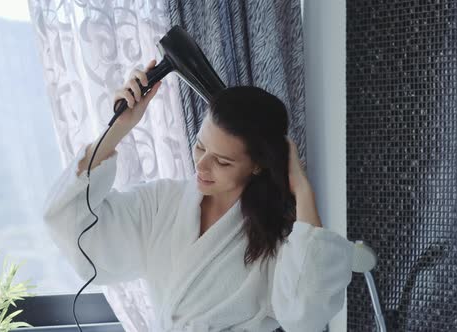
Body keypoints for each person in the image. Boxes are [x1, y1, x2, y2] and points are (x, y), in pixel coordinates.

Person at [43, 59, 354, 332]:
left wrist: (301, 189)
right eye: (201, 146)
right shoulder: (161, 204)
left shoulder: (277, 237)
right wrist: (120, 129)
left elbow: (307, 314)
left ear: (258, 165)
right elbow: (71, 220)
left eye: (222, 161)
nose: (202, 165)